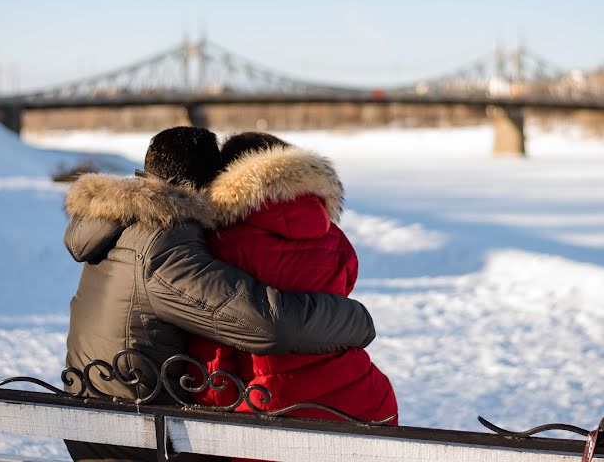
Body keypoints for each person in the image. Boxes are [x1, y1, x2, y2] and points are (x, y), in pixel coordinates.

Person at [62, 127, 376, 462]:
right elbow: (267, 325)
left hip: (100, 412)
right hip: (133, 438)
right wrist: (356, 320)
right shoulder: (162, 243)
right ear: (204, 189)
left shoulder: (120, 222)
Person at [188, 132, 398, 451]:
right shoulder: (330, 233)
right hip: (366, 400)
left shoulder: (224, 243)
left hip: (274, 411)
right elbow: (343, 286)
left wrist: (215, 404)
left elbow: (215, 349)